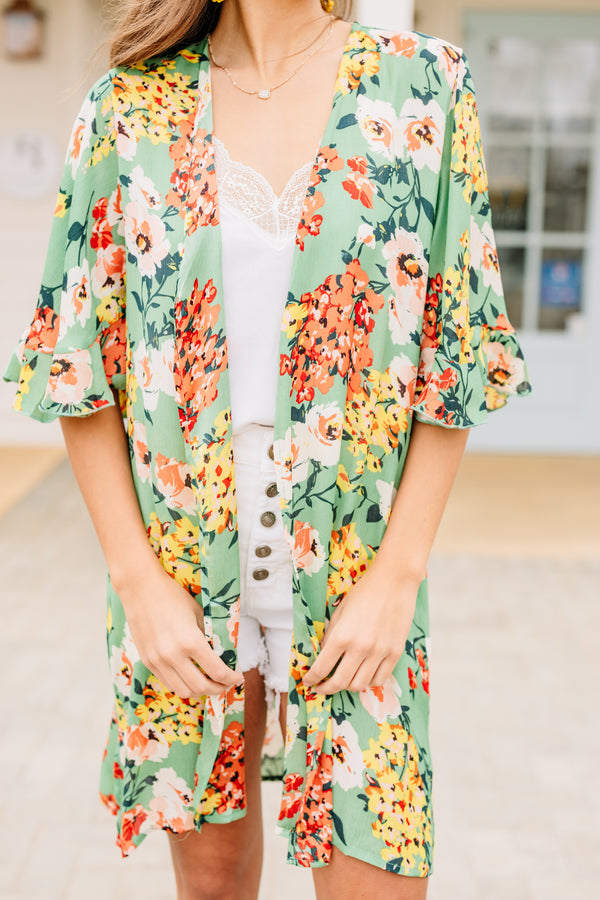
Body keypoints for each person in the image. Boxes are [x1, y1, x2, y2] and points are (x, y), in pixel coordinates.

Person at [3, 0, 532, 897]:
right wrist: (140, 589)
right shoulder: (128, 108)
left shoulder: (425, 88)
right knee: (210, 888)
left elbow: (459, 349)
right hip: (184, 584)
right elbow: (74, 361)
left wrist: (399, 578)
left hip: (358, 580)